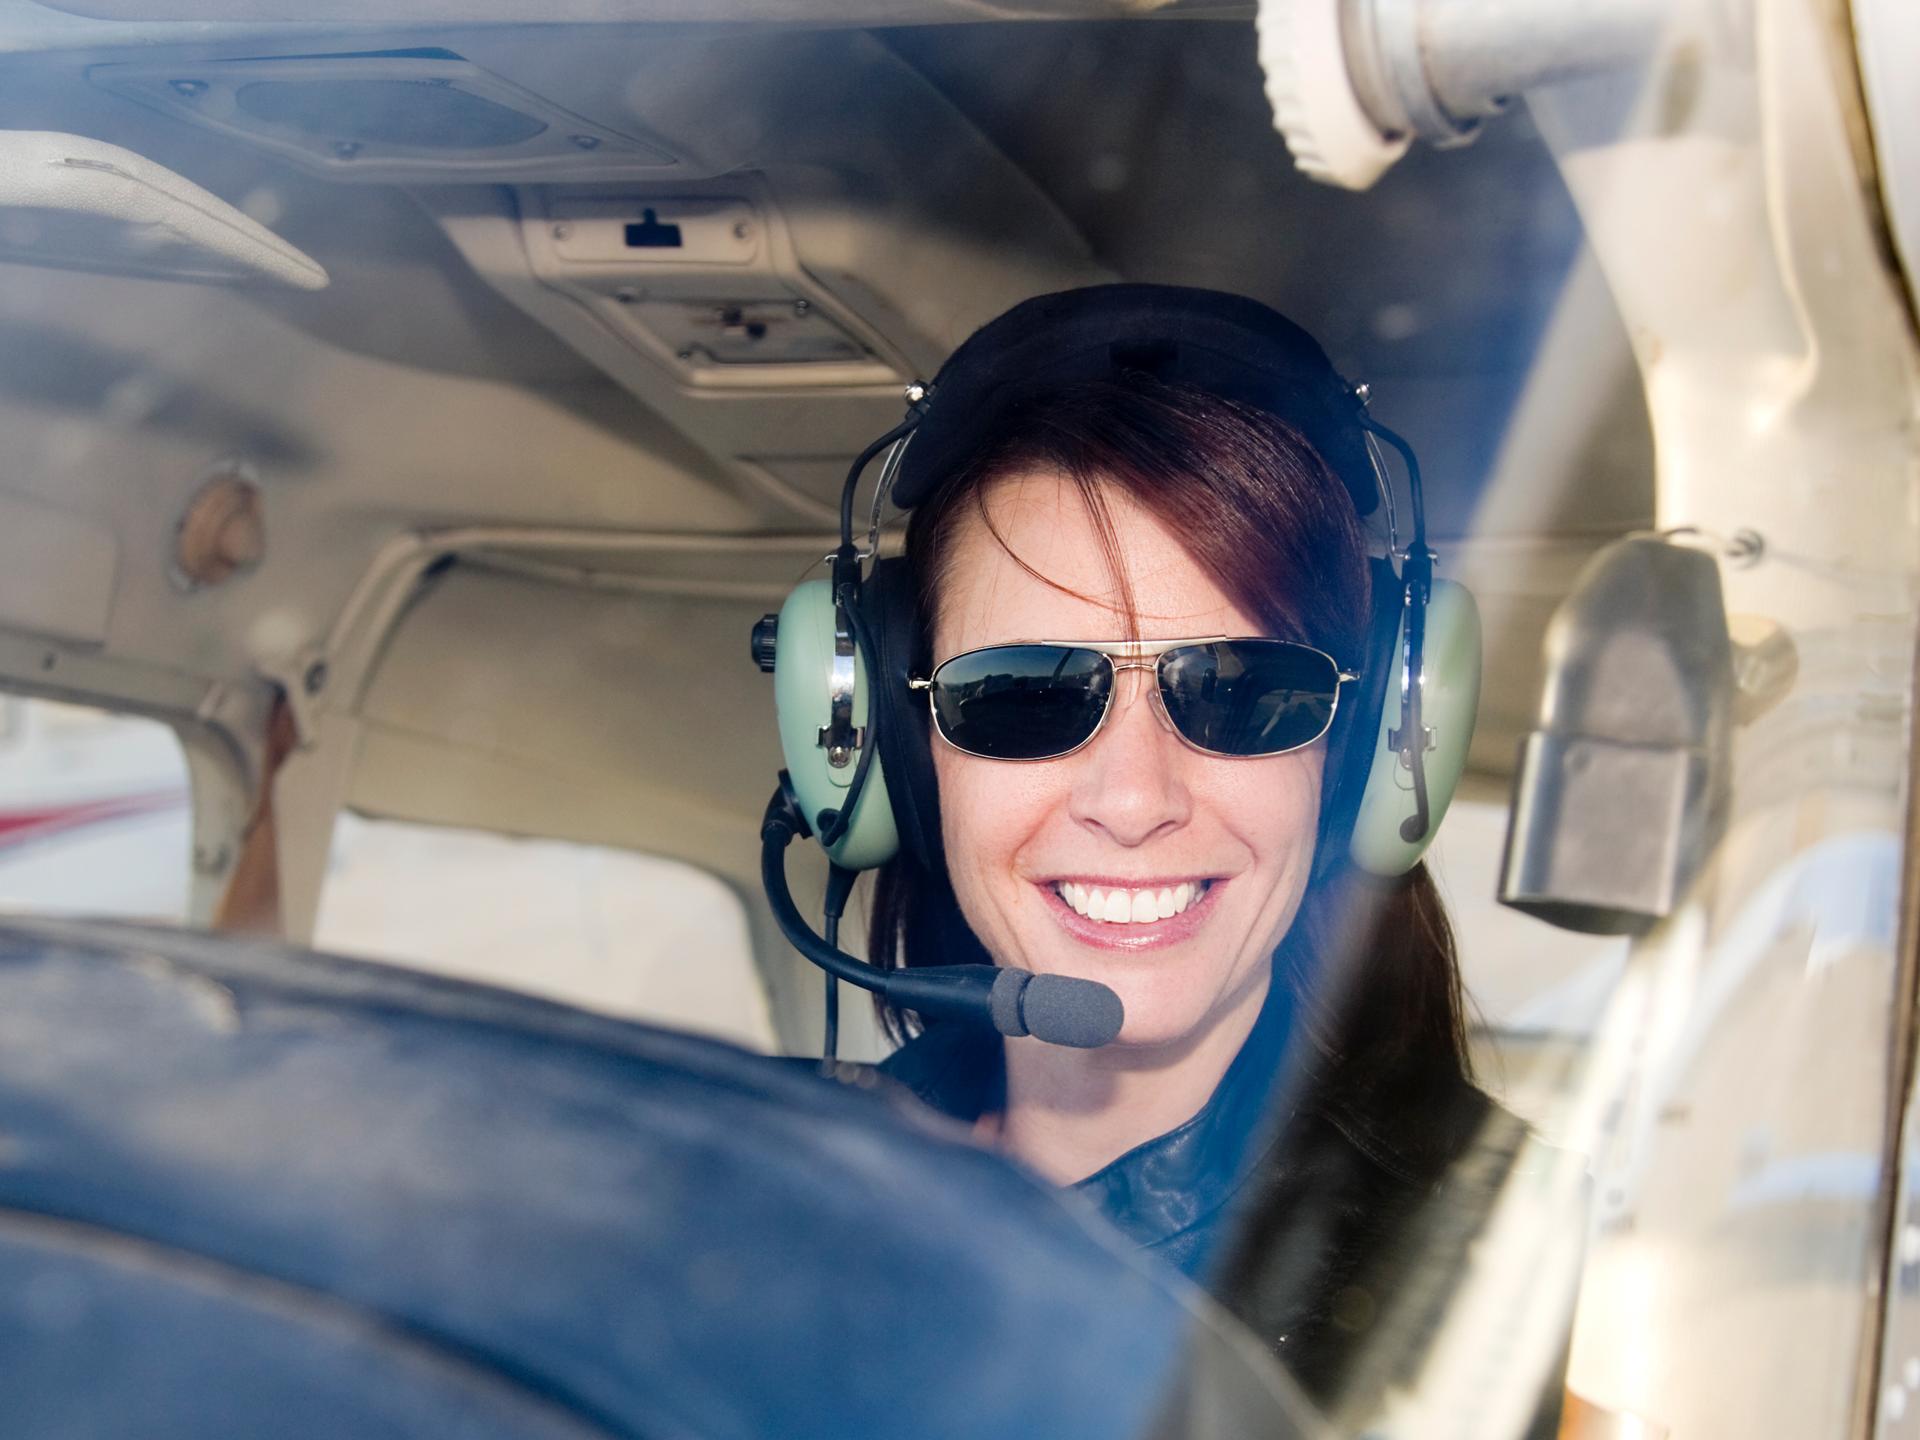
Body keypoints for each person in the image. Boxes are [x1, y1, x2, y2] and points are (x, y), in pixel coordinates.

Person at [864, 285, 1526, 1418]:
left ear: (1365, 749)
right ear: (899, 744)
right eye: (1023, 692)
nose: (1134, 800)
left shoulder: (1528, 1279)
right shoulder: (769, 1207)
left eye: (1242, 692)